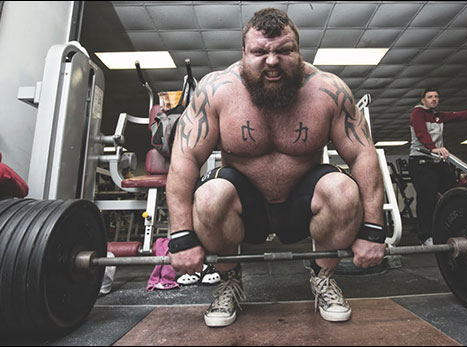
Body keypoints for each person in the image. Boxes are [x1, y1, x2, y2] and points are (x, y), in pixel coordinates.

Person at [165, 8, 385, 328]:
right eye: (259, 52)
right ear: (243, 53)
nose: (272, 61)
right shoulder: (216, 91)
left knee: (343, 189)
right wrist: (181, 235)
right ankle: (228, 281)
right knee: (209, 195)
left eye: (283, 50)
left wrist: (373, 230)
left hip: (302, 204)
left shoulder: (329, 91)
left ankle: (323, 277)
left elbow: (364, 154)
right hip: (245, 208)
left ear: (297, 51)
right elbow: (184, 157)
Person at [409, 88, 467, 246]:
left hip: (438, 160)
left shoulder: (439, 116)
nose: (434, 99)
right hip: (421, 160)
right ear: (423, 100)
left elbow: (460, 115)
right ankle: (426, 236)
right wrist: (432, 147)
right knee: (427, 198)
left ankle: (456, 228)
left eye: (436, 97)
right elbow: (421, 132)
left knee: (453, 193)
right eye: (430, 97)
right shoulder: (418, 113)